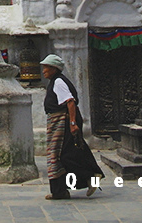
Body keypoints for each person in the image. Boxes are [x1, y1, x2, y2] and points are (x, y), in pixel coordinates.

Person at [40, 54, 104, 200]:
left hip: (65, 121)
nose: (43, 70)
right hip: (58, 121)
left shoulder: (59, 82)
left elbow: (70, 102)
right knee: (58, 155)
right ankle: (60, 191)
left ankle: (91, 175)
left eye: (46, 67)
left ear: (54, 69)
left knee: (64, 155)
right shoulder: (55, 82)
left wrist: (73, 123)